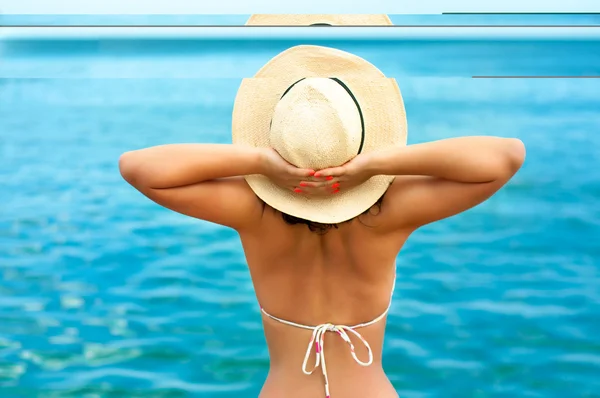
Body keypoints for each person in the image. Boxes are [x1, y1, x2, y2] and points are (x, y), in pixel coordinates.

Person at [118, 45, 525, 398]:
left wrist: (259, 162)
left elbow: (137, 167)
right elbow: (505, 156)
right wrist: (375, 164)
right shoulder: (387, 215)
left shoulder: (254, 215)